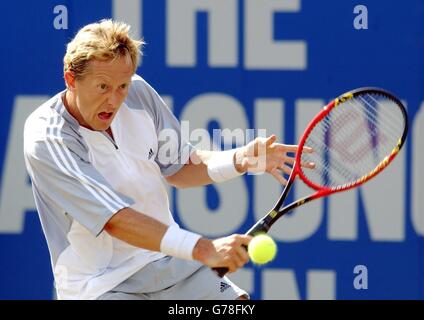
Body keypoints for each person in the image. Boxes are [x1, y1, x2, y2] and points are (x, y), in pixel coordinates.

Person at [23, 19, 313, 300]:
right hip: (99, 285)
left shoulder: (138, 93)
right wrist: (203, 249)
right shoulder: (49, 138)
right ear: (71, 79)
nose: (114, 100)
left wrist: (240, 159)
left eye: (122, 86)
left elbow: (180, 167)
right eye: (102, 87)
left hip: (169, 263)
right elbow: (115, 220)